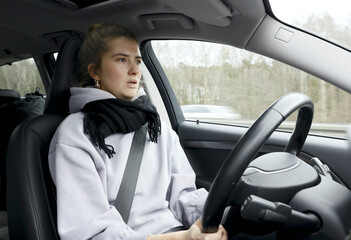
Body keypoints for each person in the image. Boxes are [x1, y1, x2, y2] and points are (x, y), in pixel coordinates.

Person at [48, 23, 227, 240]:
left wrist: (216, 216)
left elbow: (183, 196)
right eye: (121, 59)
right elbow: (93, 233)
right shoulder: (75, 134)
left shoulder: (153, 123)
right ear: (95, 71)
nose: (135, 70)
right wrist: (184, 238)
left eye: (138, 61)